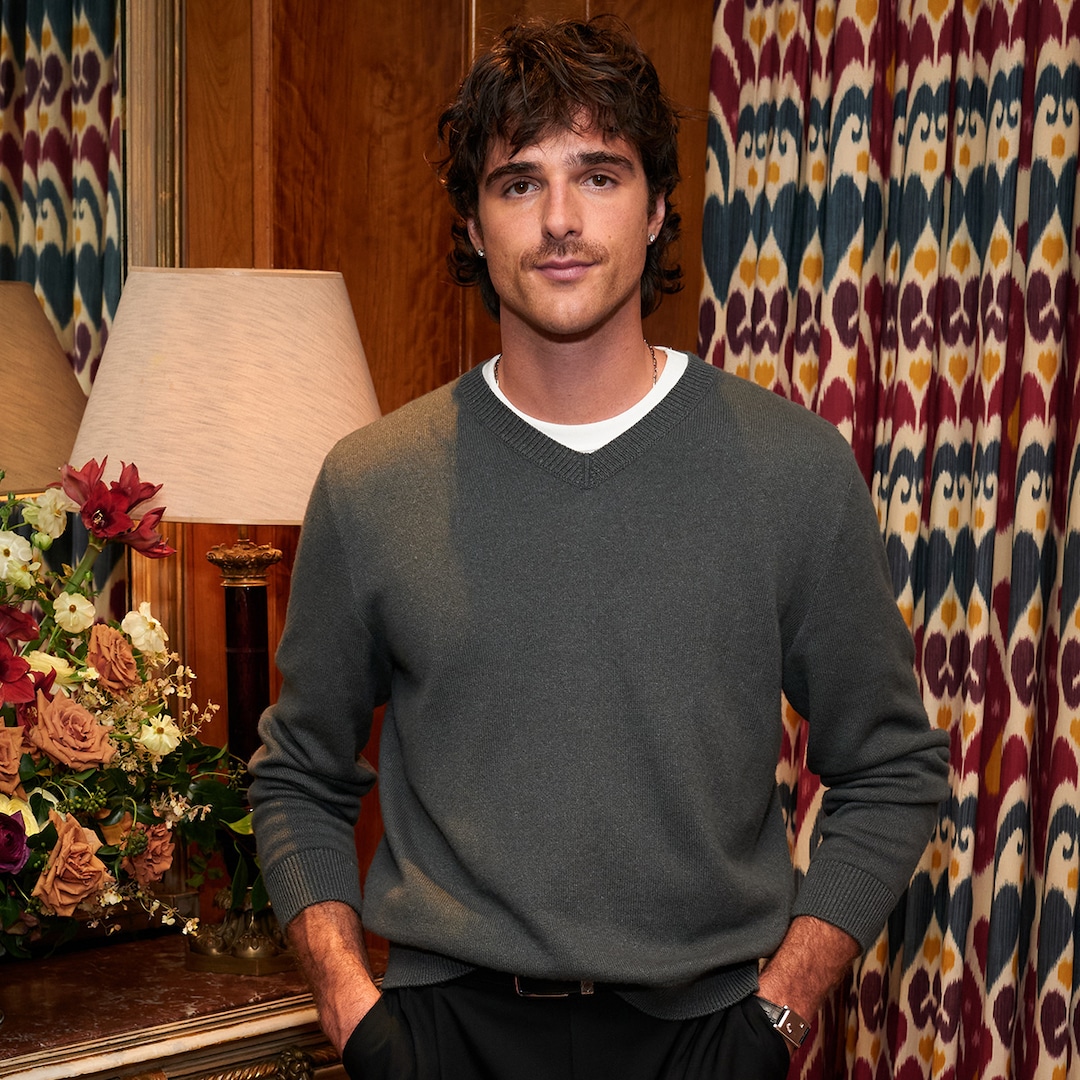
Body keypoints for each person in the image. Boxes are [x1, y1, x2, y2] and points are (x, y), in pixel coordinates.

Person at [248, 16, 950, 1080]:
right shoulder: (372, 483)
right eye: (518, 182)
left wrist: (782, 1011)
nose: (561, 220)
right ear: (474, 224)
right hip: (443, 1037)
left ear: (659, 207)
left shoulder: (792, 471)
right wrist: (352, 1009)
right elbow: (298, 773)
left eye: (600, 175)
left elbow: (893, 768)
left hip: (707, 1037)